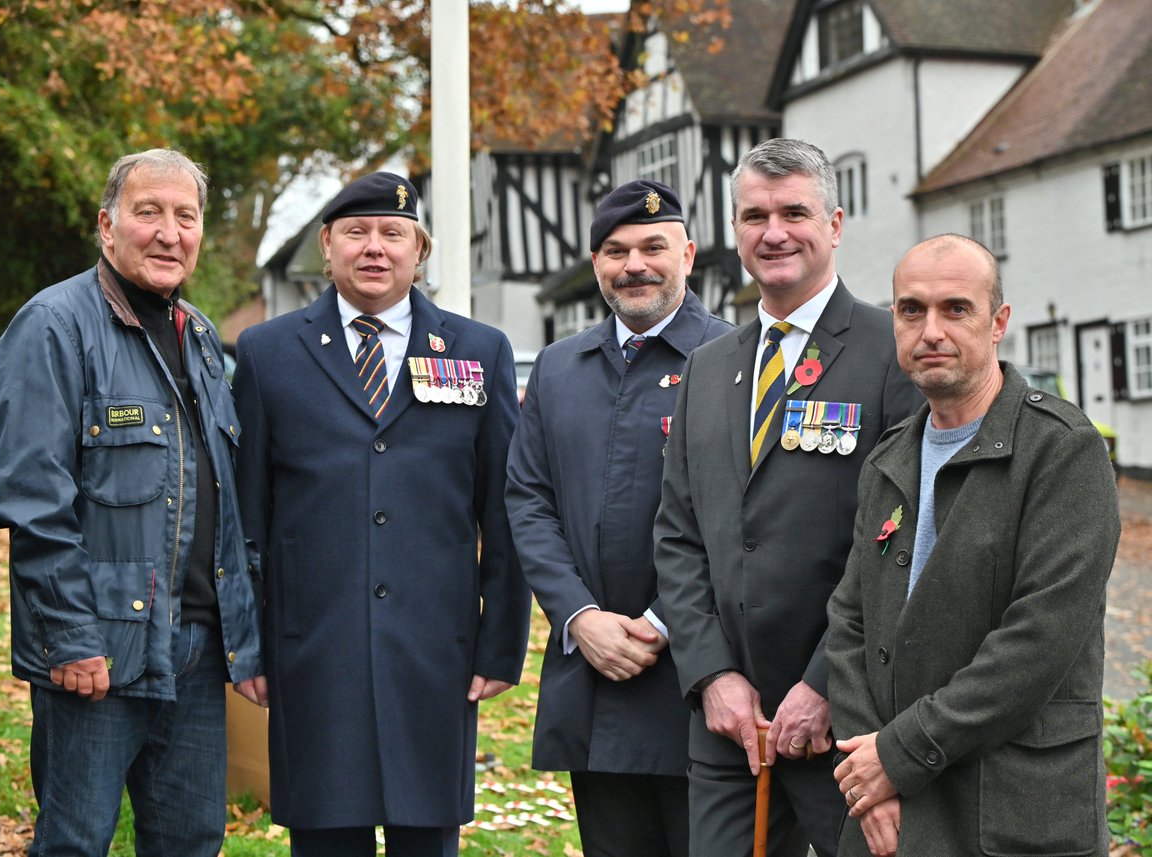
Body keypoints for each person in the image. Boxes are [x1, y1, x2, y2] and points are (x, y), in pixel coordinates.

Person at [233, 171, 530, 857]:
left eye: (393, 233)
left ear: (419, 249)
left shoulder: (477, 351)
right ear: (327, 244)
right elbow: (248, 514)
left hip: (436, 650)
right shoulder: (267, 353)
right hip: (312, 648)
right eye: (357, 232)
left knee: (427, 838)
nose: (376, 248)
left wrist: (501, 642)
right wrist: (249, 642)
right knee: (326, 839)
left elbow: (505, 511)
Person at [0, 148, 267, 856]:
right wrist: (71, 639)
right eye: (149, 213)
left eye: (186, 216)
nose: (170, 232)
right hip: (97, 657)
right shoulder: (53, 325)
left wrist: (245, 639)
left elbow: (223, 503)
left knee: (191, 842)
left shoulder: (201, 337)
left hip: (197, 658)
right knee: (76, 842)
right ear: (107, 227)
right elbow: (31, 502)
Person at [653, 138, 922, 857]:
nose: (774, 232)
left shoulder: (890, 353)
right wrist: (711, 674)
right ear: (734, 232)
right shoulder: (707, 369)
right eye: (754, 216)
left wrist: (825, 678)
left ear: (834, 224)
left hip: (851, 722)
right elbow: (678, 536)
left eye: (794, 211)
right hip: (731, 729)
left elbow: (904, 540)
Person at [827, 234, 1121, 857]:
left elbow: (1039, 640)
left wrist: (895, 757)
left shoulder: (1062, 450)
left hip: (1013, 811)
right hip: (888, 809)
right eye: (911, 310)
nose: (931, 329)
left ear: (998, 323)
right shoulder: (889, 457)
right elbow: (849, 622)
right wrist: (867, 775)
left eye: (955, 308)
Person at [506, 179, 732, 857]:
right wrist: (579, 616)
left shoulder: (733, 362)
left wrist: (662, 621)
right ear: (597, 262)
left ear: (687, 253)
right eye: (616, 249)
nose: (634, 263)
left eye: (653, 246)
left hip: (703, 674)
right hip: (591, 674)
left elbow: (748, 517)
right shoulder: (557, 368)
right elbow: (527, 497)